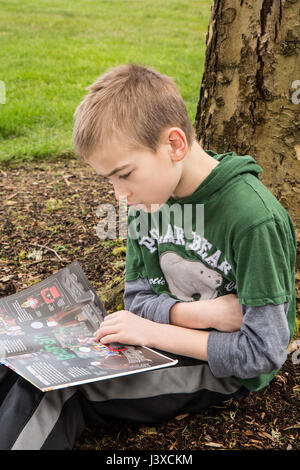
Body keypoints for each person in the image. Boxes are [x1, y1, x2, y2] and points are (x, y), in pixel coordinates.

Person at [0, 64, 296, 450]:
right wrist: (202, 314)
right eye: (109, 180)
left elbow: (262, 352)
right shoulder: (150, 200)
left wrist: (152, 330)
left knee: (57, 391)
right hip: (151, 343)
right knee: (15, 365)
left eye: (124, 174)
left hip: (218, 369)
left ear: (174, 145)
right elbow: (137, 299)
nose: (120, 195)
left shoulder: (253, 219)